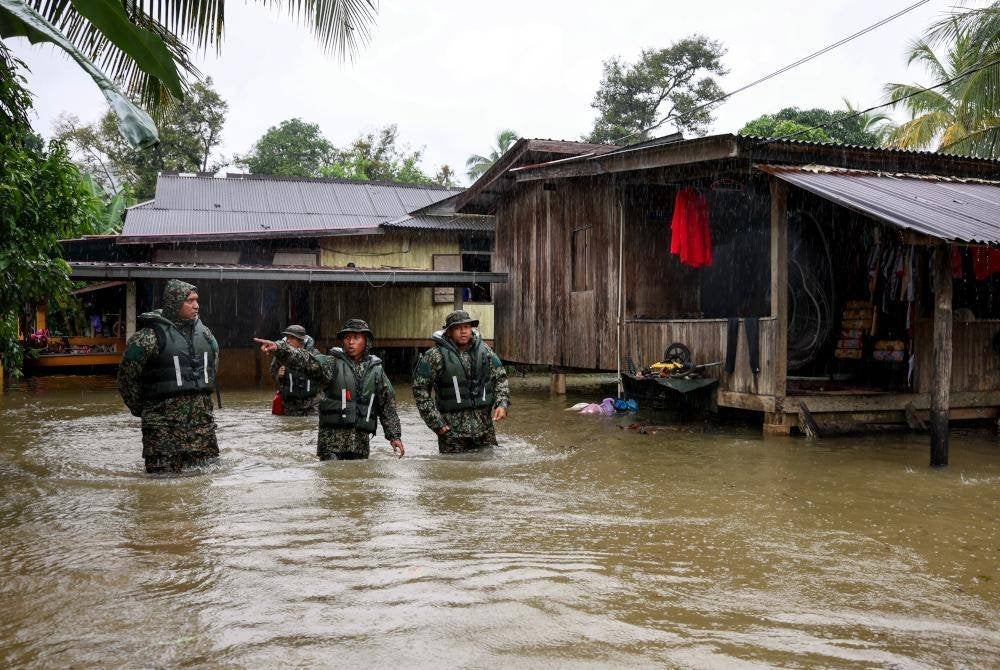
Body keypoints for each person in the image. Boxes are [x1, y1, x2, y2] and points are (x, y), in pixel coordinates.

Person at [253, 319, 405, 460]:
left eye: (356, 337)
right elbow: (305, 360)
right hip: (331, 447)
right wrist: (280, 348)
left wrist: (394, 436)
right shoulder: (330, 364)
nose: (351, 342)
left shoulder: (376, 371)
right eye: (346, 338)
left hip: (360, 447)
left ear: (366, 341)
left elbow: (387, 406)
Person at [117, 279, 220, 473]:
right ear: (174, 302)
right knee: (161, 489)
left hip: (202, 430)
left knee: (203, 486)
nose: (196, 305)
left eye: (197, 300)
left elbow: (212, 367)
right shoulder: (148, 337)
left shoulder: (205, 334)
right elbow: (126, 379)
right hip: (162, 432)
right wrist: (146, 411)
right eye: (189, 300)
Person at [411, 310, 510, 453]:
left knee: (487, 471)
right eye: (457, 328)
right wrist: (436, 422)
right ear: (449, 331)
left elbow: (500, 378)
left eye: (467, 327)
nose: (463, 332)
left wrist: (502, 404)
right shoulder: (434, 356)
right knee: (454, 471)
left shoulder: (486, 352)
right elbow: (420, 390)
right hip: (451, 433)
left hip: (484, 429)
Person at [270, 324, 321, 416]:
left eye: (292, 338)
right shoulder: (281, 356)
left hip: (312, 406)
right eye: (287, 337)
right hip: (290, 405)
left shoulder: (314, 355)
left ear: (301, 340)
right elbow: (273, 375)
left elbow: (323, 376)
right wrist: (280, 375)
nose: (288, 341)